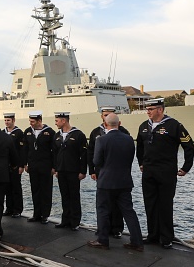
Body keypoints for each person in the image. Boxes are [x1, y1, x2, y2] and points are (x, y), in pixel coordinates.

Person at [137, 98, 194, 249]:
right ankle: (153, 235)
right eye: (147, 109)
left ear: (160, 110)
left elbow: (188, 145)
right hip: (148, 171)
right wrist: (141, 163)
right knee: (150, 204)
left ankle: (166, 238)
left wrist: (186, 167)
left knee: (165, 205)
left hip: (166, 172)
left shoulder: (174, 125)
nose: (147, 112)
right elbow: (140, 147)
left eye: (151, 109)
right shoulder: (144, 126)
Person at [88, 113, 144, 251]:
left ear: (105, 124)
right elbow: (131, 158)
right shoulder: (129, 140)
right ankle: (137, 241)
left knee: (103, 210)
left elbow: (96, 161)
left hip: (106, 182)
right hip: (124, 181)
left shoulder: (101, 140)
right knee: (128, 212)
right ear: (119, 124)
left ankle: (103, 240)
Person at [87, 106, 130, 238]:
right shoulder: (96, 133)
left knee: (117, 204)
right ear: (102, 116)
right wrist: (92, 170)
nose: (107, 117)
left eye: (109, 114)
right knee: (104, 205)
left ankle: (116, 229)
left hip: (117, 172)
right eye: (105, 114)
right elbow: (90, 152)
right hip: (102, 173)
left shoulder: (123, 132)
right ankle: (103, 229)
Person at [53, 112, 87, 231]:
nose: (55, 123)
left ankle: (75, 221)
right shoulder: (57, 136)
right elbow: (55, 154)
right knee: (64, 196)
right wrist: (56, 169)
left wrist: (83, 171)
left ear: (64, 120)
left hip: (73, 171)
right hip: (61, 171)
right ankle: (65, 219)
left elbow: (84, 154)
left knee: (74, 196)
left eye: (57, 120)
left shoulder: (78, 135)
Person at [22, 111, 55, 224]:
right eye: (30, 121)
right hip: (33, 166)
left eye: (33, 122)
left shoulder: (50, 132)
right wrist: (25, 163)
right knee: (35, 190)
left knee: (46, 191)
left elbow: (54, 151)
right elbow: (25, 149)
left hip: (45, 166)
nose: (31, 124)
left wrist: (54, 167)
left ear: (39, 121)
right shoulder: (27, 132)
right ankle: (36, 214)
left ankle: (45, 215)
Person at [2, 112, 25, 218]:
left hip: (15, 165)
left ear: (13, 120)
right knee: (7, 188)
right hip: (5, 165)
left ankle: (17, 209)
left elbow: (22, 150)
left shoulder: (19, 133)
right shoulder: (3, 133)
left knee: (16, 188)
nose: (7, 122)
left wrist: (21, 165)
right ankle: (9, 208)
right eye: (5, 120)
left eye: (8, 120)